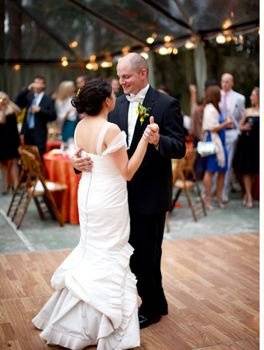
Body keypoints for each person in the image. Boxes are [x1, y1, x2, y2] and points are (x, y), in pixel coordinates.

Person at [33, 79, 158, 349]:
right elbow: (126, 172)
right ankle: (100, 321)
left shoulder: (79, 127)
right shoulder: (111, 129)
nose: (115, 97)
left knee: (92, 249)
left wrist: (77, 162)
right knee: (110, 251)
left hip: (88, 194)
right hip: (109, 197)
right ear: (107, 102)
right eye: (112, 94)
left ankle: (78, 318)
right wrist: (145, 141)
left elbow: (79, 159)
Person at [72, 52, 186, 329]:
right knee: (129, 254)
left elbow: (180, 147)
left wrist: (159, 140)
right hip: (118, 195)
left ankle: (153, 307)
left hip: (151, 192)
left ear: (143, 73)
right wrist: (79, 164)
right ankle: (151, 302)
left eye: (127, 76)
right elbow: (99, 147)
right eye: (120, 77)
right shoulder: (115, 106)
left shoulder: (166, 104)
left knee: (150, 253)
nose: (121, 82)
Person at [202, 85, 232, 209]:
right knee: (210, 171)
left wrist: (224, 124)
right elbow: (212, 127)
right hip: (214, 143)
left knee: (222, 171)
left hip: (220, 142)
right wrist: (226, 123)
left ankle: (219, 197)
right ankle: (207, 199)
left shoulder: (216, 108)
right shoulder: (209, 109)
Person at [15, 75, 56, 156]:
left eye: (38, 83)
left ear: (43, 85)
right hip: (27, 132)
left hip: (39, 132)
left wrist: (40, 110)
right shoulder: (29, 96)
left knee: (39, 156)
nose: (36, 84)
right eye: (35, 82)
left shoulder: (47, 99)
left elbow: (53, 116)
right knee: (28, 156)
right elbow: (18, 102)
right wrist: (27, 89)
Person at [220, 73, 245, 202]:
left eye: (227, 82)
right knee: (218, 161)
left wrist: (238, 129)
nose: (225, 84)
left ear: (232, 83)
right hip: (218, 132)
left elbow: (242, 116)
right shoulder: (216, 95)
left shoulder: (239, 98)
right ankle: (214, 191)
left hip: (231, 132)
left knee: (228, 163)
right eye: (223, 81)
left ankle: (224, 191)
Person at [233, 87, 260, 208]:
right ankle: (249, 195)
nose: (251, 97)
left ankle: (247, 194)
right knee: (246, 171)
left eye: (253, 95)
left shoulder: (263, 111)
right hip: (246, 143)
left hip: (257, 143)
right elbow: (239, 125)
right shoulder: (247, 111)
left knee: (254, 170)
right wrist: (244, 127)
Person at [0, 92, 20, 193]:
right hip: (2, 140)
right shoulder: (1, 109)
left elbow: (18, 111)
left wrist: (8, 102)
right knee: (3, 164)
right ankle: (5, 186)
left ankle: (16, 185)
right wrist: (2, 109)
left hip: (13, 138)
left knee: (14, 162)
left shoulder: (10, 106)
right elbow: (2, 121)